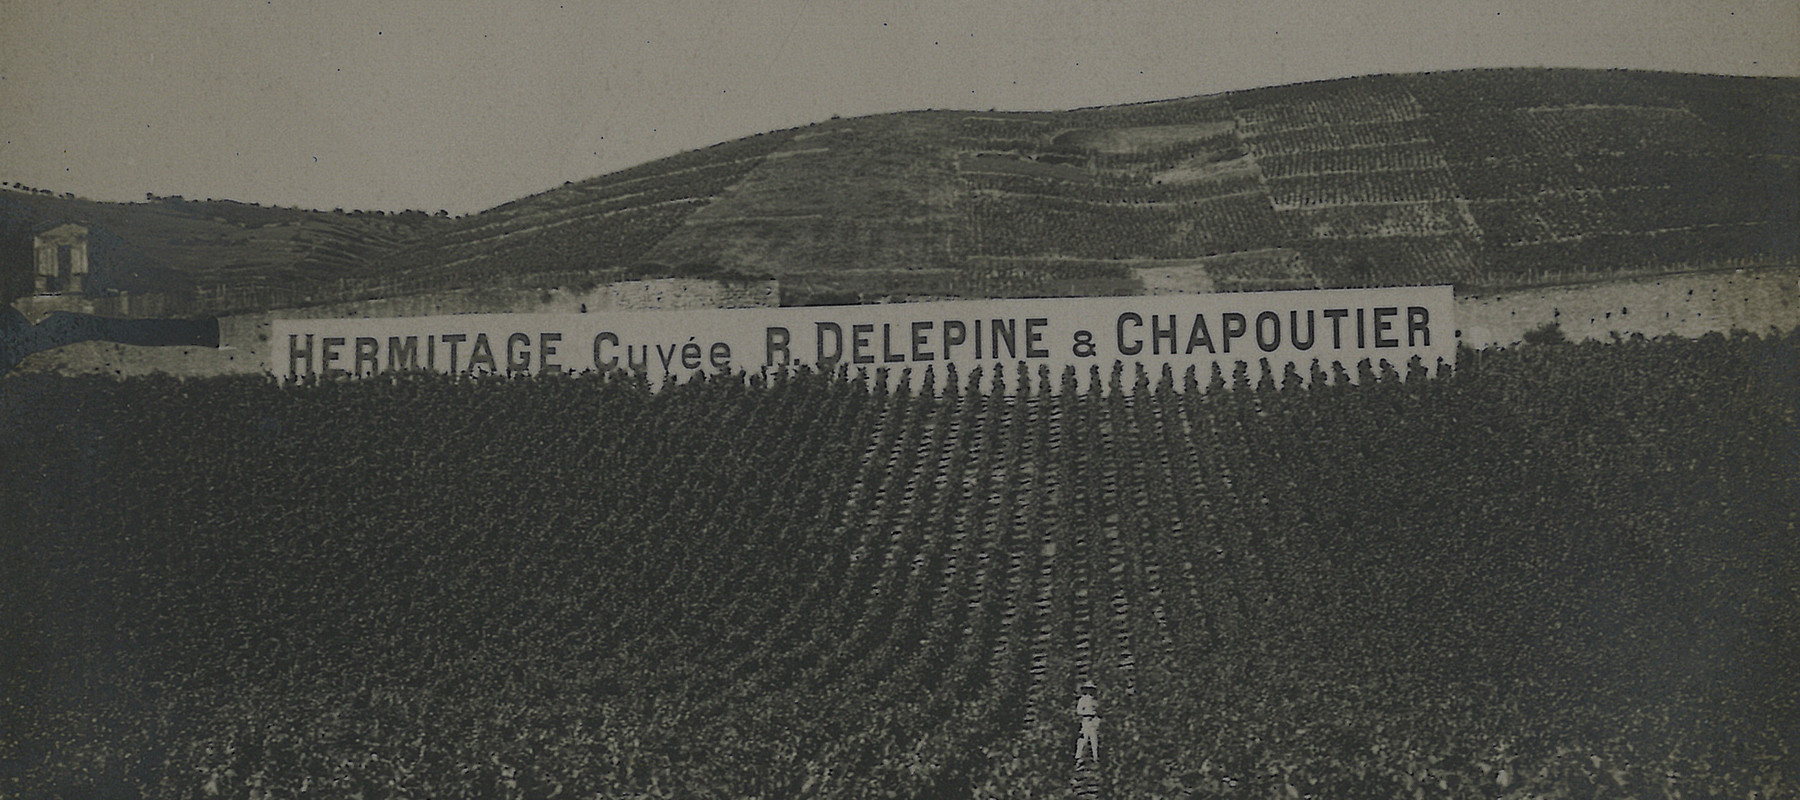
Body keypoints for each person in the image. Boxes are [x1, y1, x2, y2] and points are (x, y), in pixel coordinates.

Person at [1074, 681, 1100, 766]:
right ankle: (1078, 758)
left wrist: (1095, 716)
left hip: (1093, 721)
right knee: (1083, 739)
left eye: (1091, 690)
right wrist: (1087, 713)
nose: (1089, 691)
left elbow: (1098, 710)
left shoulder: (1094, 700)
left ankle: (1095, 757)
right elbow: (1079, 711)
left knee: (1094, 739)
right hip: (1085, 720)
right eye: (1088, 689)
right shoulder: (1082, 700)